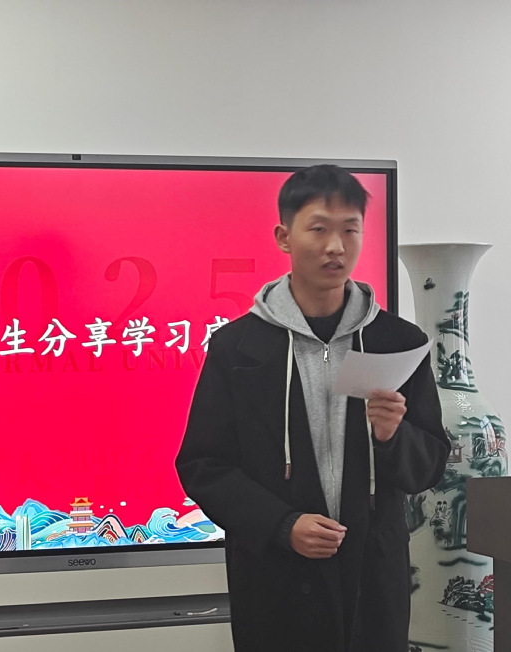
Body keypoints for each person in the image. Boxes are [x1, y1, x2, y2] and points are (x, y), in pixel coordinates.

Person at [175, 164, 450, 652]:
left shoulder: (396, 342)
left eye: (350, 230)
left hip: (372, 577)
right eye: (319, 229)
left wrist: (393, 436)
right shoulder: (238, 347)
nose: (336, 247)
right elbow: (203, 464)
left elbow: (429, 466)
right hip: (275, 578)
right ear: (284, 237)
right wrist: (282, 525)